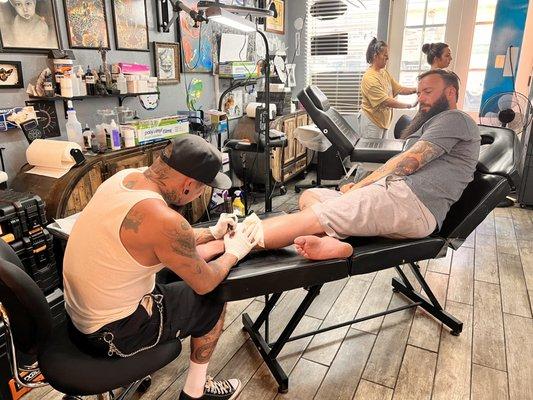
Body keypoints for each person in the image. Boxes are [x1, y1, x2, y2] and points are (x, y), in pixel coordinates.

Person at [63, 134, 261, 400]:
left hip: (78, 319)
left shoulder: (123, 179)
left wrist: (212, 233)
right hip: (113, 336)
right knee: (215, 296)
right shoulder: (164, 220)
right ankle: (196, 391)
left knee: (170, 275)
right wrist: (234, 254)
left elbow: (159, 237)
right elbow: (205, 282)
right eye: (204, 187)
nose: (202, 193)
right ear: (189, 185)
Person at [240, 69, 481, 261]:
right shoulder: (438, 122)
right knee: (310, 196)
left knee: (312, 217)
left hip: (412, 204)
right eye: (419, 93)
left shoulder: (454, 118)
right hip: (398, 196)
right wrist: (359, 187)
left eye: (427, 92)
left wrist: (358, 188)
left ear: (451, 93)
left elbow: (409, 162)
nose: (421, 99)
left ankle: (228, 244)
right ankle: (337, 242)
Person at [360, 38, 417, 139]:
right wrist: (409, 105)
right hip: (371, 123)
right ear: (375, 56)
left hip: (383, 122)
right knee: (372, 153)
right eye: (385, 55)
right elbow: (386, 102)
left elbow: (399, 89)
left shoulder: (383, 72)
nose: (387, 58)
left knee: (381, 151)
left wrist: (417, 89)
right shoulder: (370, 78)